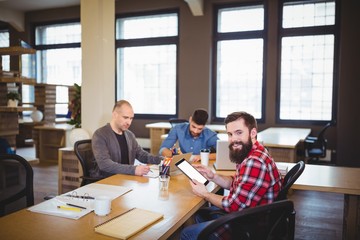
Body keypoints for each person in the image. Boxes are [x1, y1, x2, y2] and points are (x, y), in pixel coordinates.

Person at [180, 111, 282, 240]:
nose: (233, 139)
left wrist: (205, 194)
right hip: (248, 216)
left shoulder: (254, 162)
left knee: (187, 233)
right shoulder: (255, 151)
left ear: (253, 133)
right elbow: (238, 182)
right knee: (201, 214)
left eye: (239, 133)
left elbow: (234, 206)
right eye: (230, 134)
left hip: (247, 227)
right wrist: (213, 176)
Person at [92, 100, 163, 178]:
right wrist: (134, 169)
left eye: (131, 118)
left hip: (126, 179)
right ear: (115, 115)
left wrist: (161, 160)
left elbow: (142, 155)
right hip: (106, 181)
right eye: (125, 117)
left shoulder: (129, 135)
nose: (129, 122)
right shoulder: (100, 134)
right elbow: (105, 164)